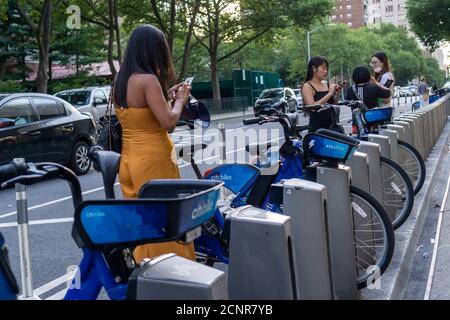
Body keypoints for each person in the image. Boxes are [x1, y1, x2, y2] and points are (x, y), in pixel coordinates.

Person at [113, 25, 194, 262]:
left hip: (129, 160)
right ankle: (170, 274)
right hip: (153, 160)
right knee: (164, 220)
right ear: (152, 51)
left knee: (142, 221)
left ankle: (142, 270)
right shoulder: (148, 80)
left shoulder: (120, 80)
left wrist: (165, 96)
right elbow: (168, 121)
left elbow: (140, 113)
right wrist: (180, 100)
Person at [301, 56, 343, 132]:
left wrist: (337, 94)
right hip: (319, 129)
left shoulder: (325, 84)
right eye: (323, 68)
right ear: (314, 68)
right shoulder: (307, 86)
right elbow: (312, 107)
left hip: (333, 126)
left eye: (326, 69)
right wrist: (330, 93)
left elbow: (332, 105)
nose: (326, 71)